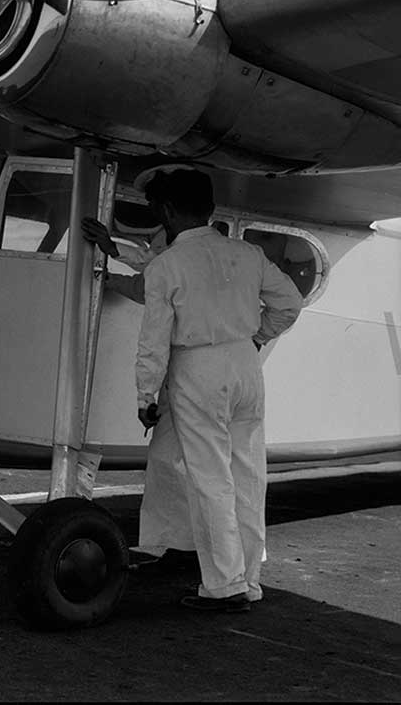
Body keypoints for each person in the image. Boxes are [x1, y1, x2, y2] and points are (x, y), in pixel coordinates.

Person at [135, 169, 302, 612]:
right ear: (209, 209)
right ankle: (249, 580)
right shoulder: (247, 254)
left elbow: (154, 339)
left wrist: (146, 397)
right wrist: (257, 336)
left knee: (210, 479)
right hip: (246, 363)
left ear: (168, 211)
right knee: (248, 476)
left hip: (198, 367)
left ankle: (224, 586)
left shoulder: (166, 265)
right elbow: (290, 303)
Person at [82, 213, 198, 574]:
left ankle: (200, 555)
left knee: (192, 463)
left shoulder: (187, 256)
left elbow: (157, 274)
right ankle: (183, 548)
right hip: (193, 374)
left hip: (193, 373)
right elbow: (148, 281)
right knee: (171, 461)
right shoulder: (195, 256)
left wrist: (114, 249)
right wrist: (108, 276)